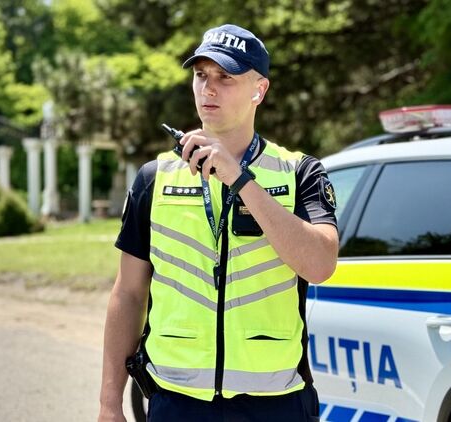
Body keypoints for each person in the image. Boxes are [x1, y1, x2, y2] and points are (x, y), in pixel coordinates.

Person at [98, 23, 339, 422]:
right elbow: (128, 294)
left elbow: (320, 265)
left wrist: (241, 180)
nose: (208, 88)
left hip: (276, 403)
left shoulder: (300, 172)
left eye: (225, 77)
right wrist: (109, 404)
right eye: (200, 75)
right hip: (176, 401)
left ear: (259, 90)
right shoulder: (154, 178)